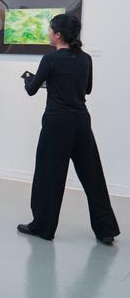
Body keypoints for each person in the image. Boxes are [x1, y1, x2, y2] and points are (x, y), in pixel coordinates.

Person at [18, 14, 120, 244]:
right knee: (93, 176)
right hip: (81, 122)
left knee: (48, 175)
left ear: (58, 34)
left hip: (56, 123)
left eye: (50, 30)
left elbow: (32, 89)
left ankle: (43, 227)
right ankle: (106, 230)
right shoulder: (86, 59)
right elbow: (87, 89)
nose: (48, 33)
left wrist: (28, 80)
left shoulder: (50, 59)